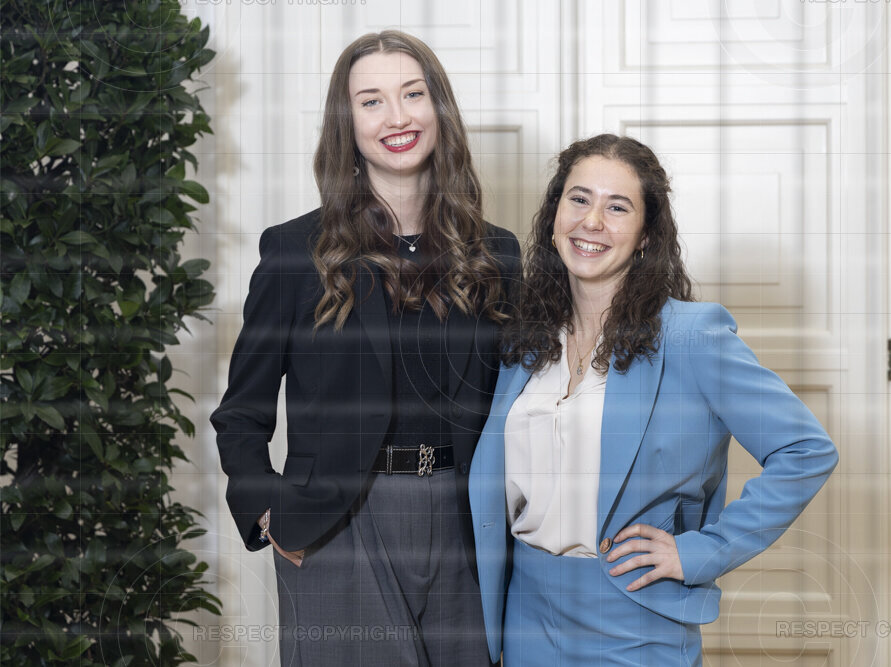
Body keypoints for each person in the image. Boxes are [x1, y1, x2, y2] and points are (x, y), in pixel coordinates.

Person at [211, 30, 520, 666]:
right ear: (346, 123)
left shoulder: (497, 253)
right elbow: (241, 411)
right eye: (371, 101)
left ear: (440, 108)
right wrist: (268, 509)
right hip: (337, 524)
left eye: (413, 94)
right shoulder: (296, 252)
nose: (397, 117)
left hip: (466, 523)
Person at [469, 134, 838, 666]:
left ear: (645, 235)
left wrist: (701, 552)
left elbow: (805, 449)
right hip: (525, 615)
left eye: (617, 207)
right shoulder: (525, 340)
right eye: (579, 199)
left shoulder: (692, 337)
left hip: (635, 620)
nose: (592, 221)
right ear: (554, 217)